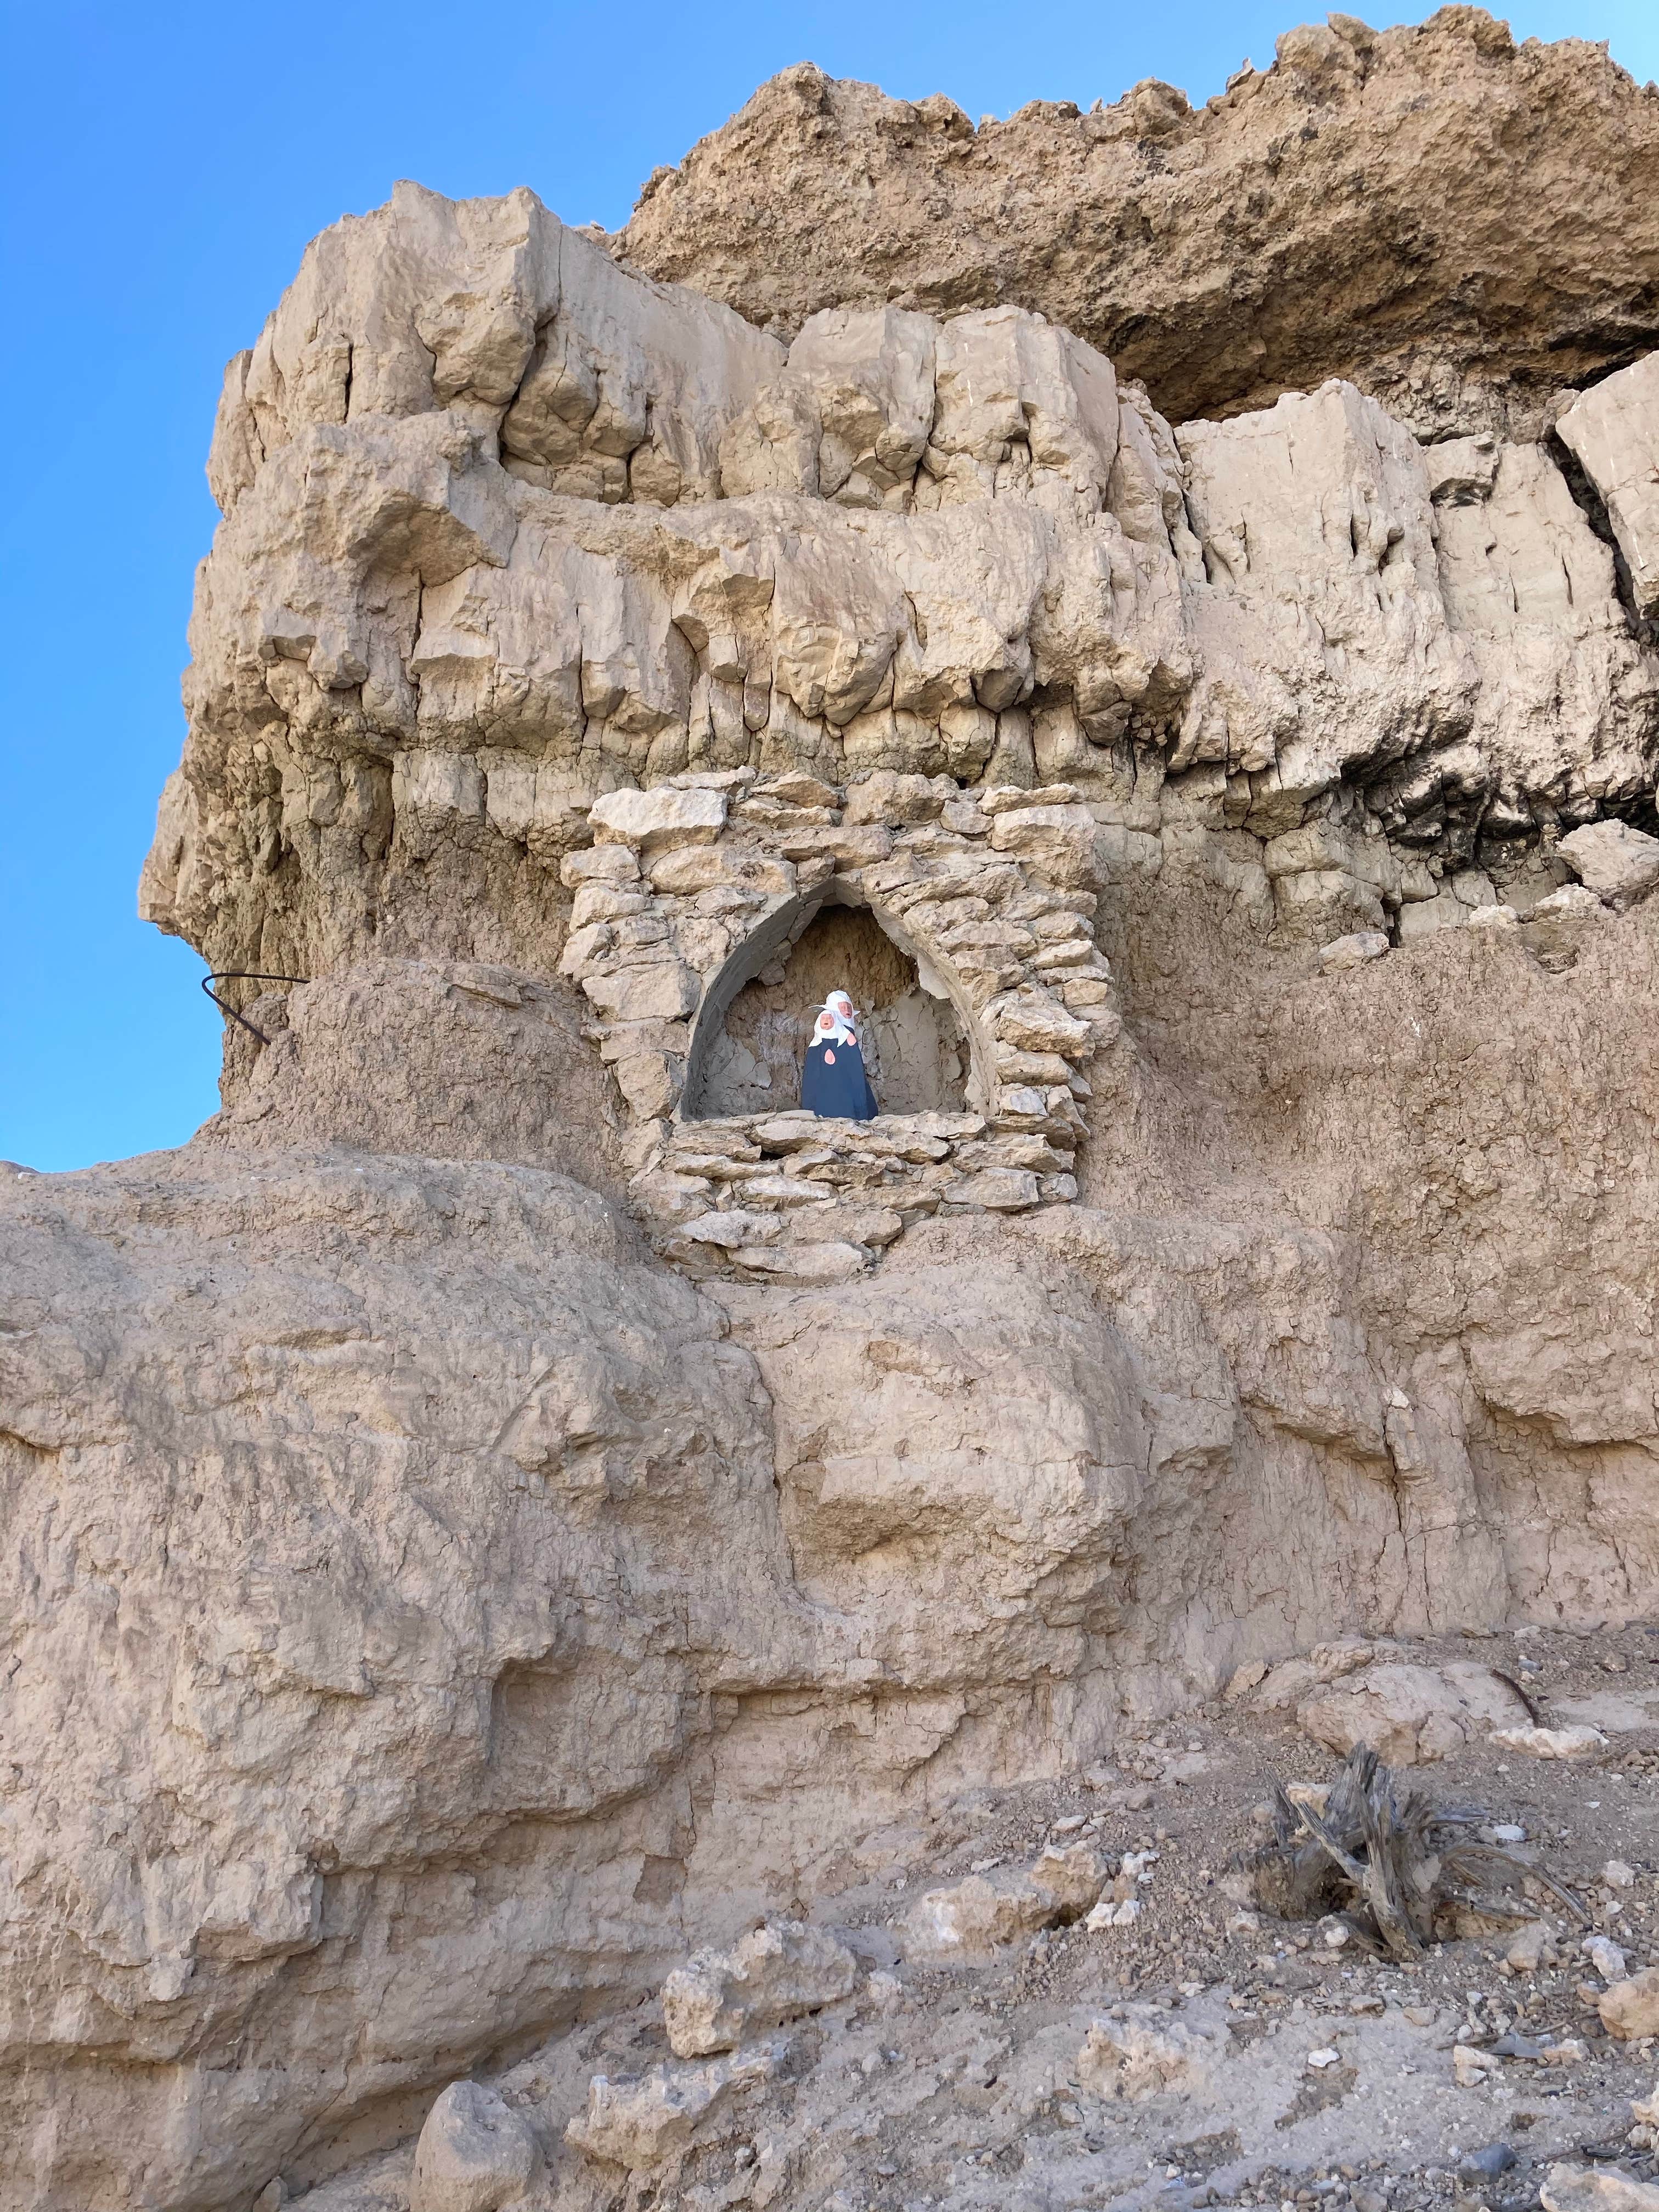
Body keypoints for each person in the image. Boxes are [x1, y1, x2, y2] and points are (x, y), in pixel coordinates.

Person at [799, 988, 878, 1120]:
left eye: (849, 1007)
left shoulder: (847, 1035)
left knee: (855, 1084)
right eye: (842, 1007)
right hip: (833, 1086)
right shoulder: (832, 1033)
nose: (847, 1011)